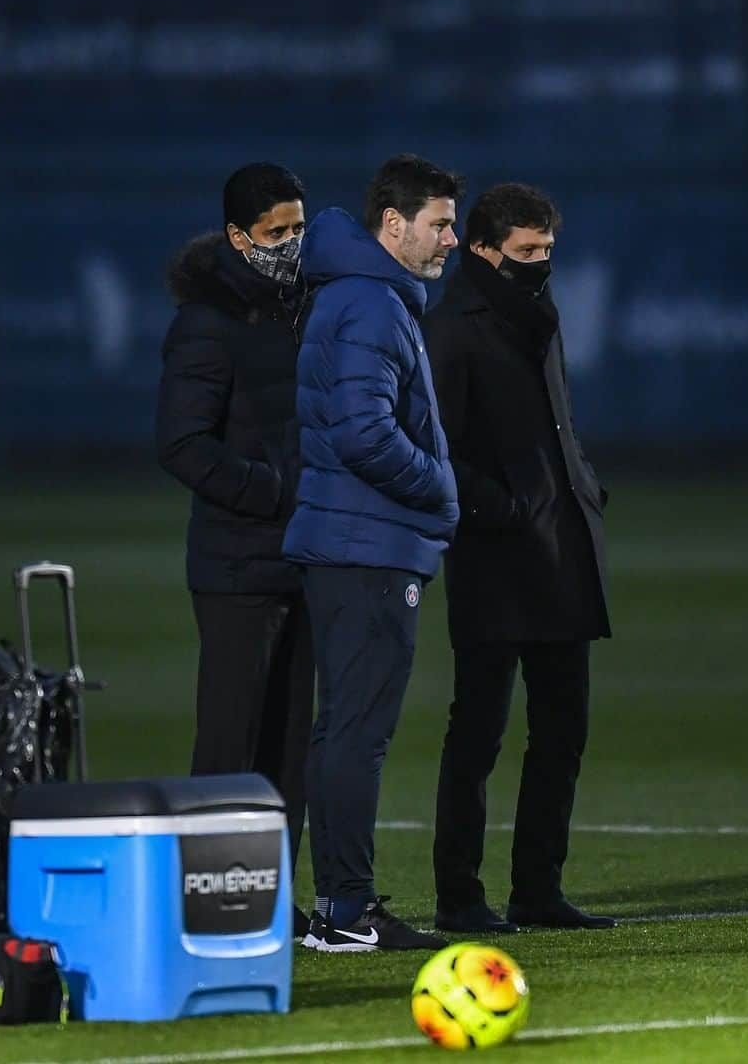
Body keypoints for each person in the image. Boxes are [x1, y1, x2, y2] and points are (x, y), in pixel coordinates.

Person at [423, 182, 616, 932]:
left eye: (547, 252)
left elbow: (558, 423)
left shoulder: (537, 314)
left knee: (563, 727)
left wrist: (582, 487)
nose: (540, 265)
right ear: (482, 250)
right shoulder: (454, 330)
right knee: (478, 732)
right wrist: (499, 508)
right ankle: (459, 896)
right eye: (526, 252)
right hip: (495, 557)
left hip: (560, 546)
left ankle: (537, 891)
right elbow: (435, 445)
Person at [283, 154, 463, 951]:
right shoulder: (372, 304)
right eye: (439, 224)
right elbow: (363, 432)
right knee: (358, 732)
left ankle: (337, 910)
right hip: (369, 546)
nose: (451, 239)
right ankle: (348, 913)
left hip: (349, 543)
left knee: (341, 731)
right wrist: (440, 486)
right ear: (393, 224)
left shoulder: (362, 296)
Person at [156, 163, 314, 936]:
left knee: (290, 741)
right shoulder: (206, 322)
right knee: (230, 739)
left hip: (303, 556)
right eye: (275, 233)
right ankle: (208, 901)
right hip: (235, 564)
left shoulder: (300, 307)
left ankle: (272, 901)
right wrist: (274, 492)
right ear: (237, 237)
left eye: (297, 229)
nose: (289, 245)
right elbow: (181, 444)